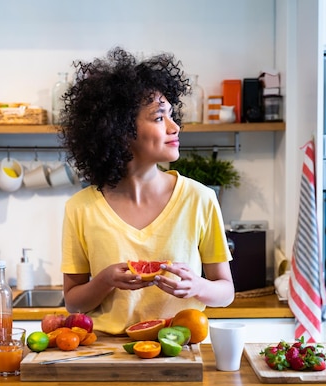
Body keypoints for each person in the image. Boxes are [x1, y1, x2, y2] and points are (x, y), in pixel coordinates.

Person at [58, 47, 235, 336]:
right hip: (108, 357)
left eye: (172, 116)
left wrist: (198, 286)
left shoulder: (200, 199)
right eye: (158, 118)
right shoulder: (80, 208)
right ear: (120, 131)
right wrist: (104, 280)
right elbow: (73, 303)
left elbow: (226, 292)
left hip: (179, 352)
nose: (175, 127)